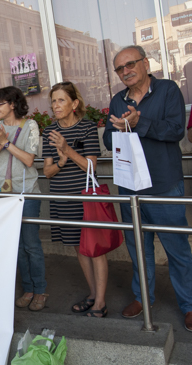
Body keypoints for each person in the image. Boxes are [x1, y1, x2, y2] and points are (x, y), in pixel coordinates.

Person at [103, 45, 192, 331]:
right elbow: (107, 139)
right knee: (138, 248)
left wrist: (141, 122)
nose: (125, 71)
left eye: (130, 64)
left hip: (164, 185)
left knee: (177, 249)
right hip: (131, 189)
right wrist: (118, 128)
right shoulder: (117, 100)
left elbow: (176, 130)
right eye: (119, 68)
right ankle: (143, 297)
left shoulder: (167, 90)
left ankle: (189, 304)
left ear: (145, 63)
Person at [42, 82, 104, 317]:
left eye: (60, 100)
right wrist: (60, 162)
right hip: (62, 198)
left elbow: (91, 166)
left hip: (85, 197)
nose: (54, 105)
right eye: (53, 100)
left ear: (74, 103)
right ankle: (92, 294)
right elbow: (47, 172)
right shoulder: (49, 132)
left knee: (95, 249)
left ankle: (100, 302)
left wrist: (67, 150)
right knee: (80, 248)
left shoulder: (87, 128)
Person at [0, 86, 46, 311]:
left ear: (12, 104)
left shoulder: (30, 125)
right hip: (0, 193)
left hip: (26, 192)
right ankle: (27, 289)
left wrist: (7, 143)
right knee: (15, 246)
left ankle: (40, 290)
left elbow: (29, 160)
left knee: (31, 245)